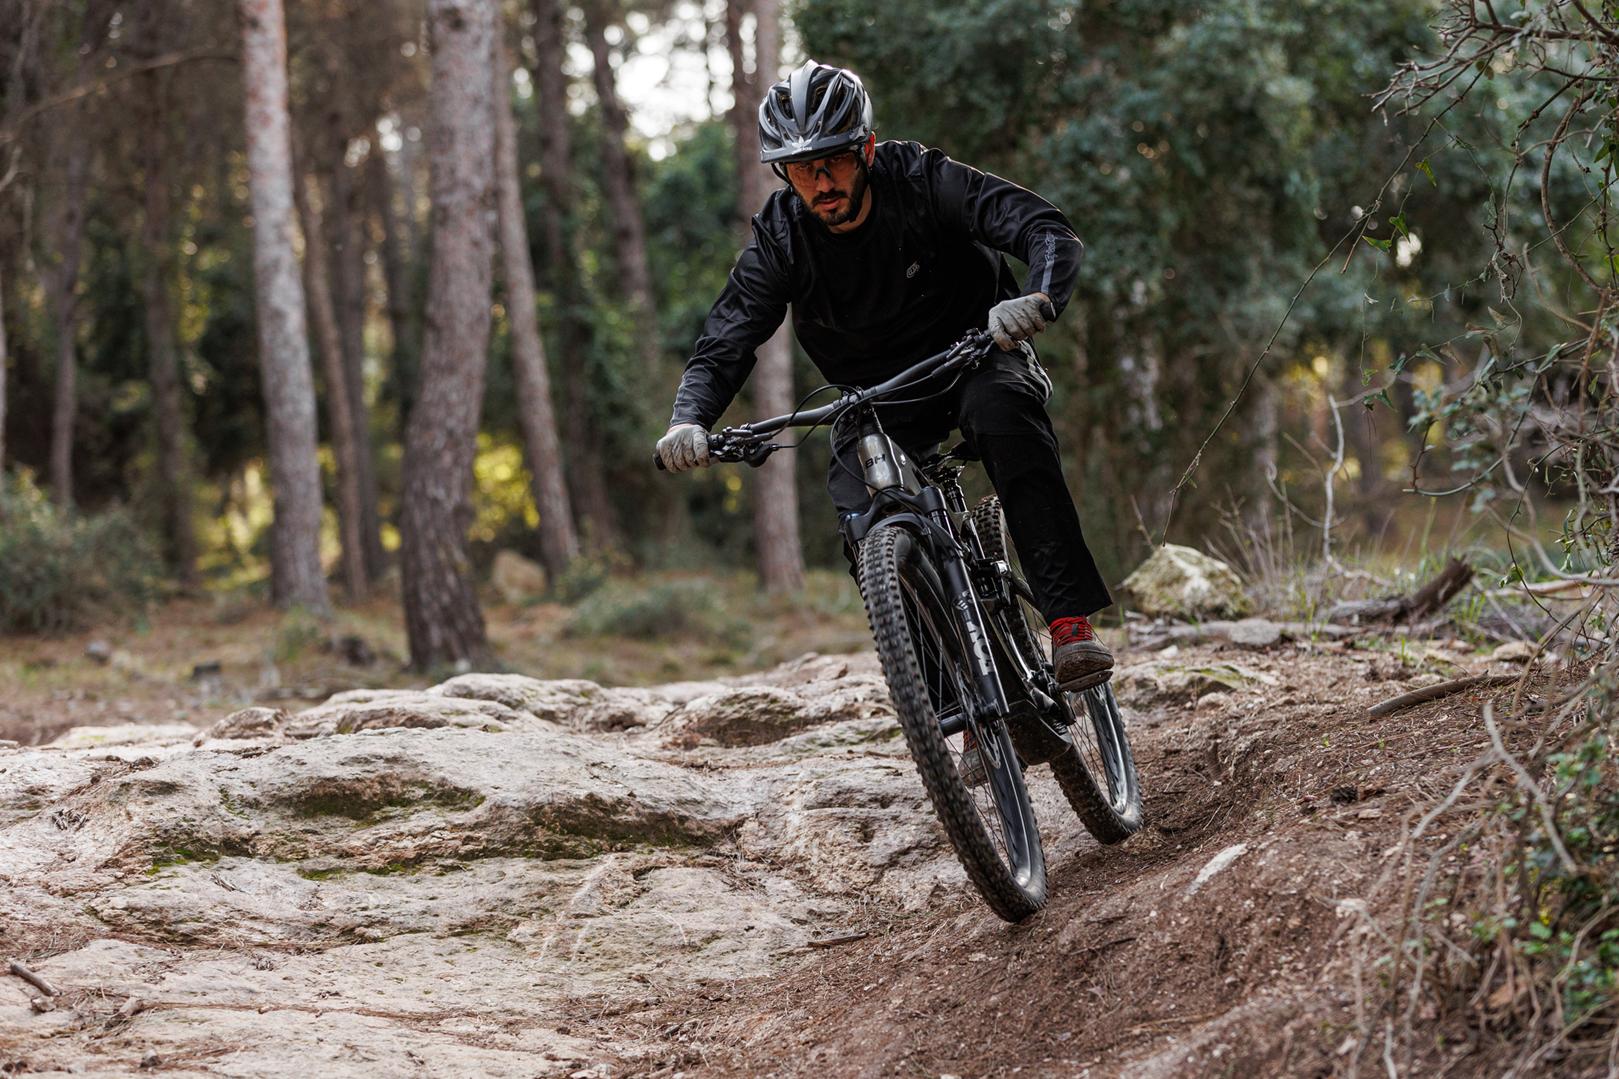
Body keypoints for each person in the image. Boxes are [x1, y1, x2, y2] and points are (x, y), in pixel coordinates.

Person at [656, 60, 1114, 692]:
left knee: (1004, 414)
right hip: (873, 400)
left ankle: (1067, 623)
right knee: (859, 508)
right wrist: (689, 418)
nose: (820, 183)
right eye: (801, 169)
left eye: (833, 162)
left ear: (866, 149)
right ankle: (956, 700)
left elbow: (1045, 229)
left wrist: (1036, 297)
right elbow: (726, 338)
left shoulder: (922, 179)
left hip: (975, 357)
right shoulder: (781, 237)